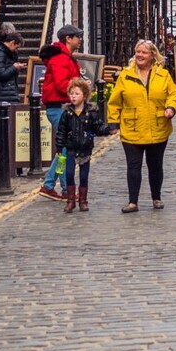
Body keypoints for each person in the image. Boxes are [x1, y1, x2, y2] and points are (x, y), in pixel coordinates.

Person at [105, 38, 176, 212]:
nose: (139, 55)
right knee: (133, 165)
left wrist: (170, 108)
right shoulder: (126, 75)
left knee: (155, 165)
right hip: (132, 127)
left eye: (144, 52)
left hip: (157, 126)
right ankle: (133, 202)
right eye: (138, 52)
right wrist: (113, 122)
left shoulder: (163, 74)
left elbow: (173, 94)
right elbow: (115, 101)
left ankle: (156, 197)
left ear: (152, 56)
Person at [36, 24, 85, 200]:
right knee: (65, 150)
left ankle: (51, 186)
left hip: (63, 107)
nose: (80, 39)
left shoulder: (66, 57)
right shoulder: (60, 59)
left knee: (64, 149)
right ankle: (64, 189)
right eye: (77, 36)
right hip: (59, 108)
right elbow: (61, 83)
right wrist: (80, 91)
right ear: (68, 39)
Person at [54, 74, 110, 212]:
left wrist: (107, 130)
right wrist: (59, 146)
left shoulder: (91, 112)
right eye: (71, 93)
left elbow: (97, 127)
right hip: (71, 148)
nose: (73, 97)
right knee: (68, 174)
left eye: (77, 94)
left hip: (85, 148)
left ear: (84, 96)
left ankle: (83, 201)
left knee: (84, 176)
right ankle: (71, 200)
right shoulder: (67, 113)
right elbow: (61, 131)